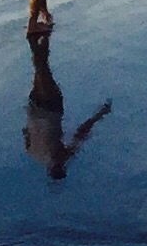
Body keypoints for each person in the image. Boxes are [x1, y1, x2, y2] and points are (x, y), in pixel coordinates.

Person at [23, 42, 110, 181]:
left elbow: (81, 133)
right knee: (40, 68)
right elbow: (25, 134)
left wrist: (99, 115)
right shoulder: (34, 155)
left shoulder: (59, 157)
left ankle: (35, 35)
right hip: (33, 108)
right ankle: (38, 35)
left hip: (51, 108)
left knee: (41, 66)